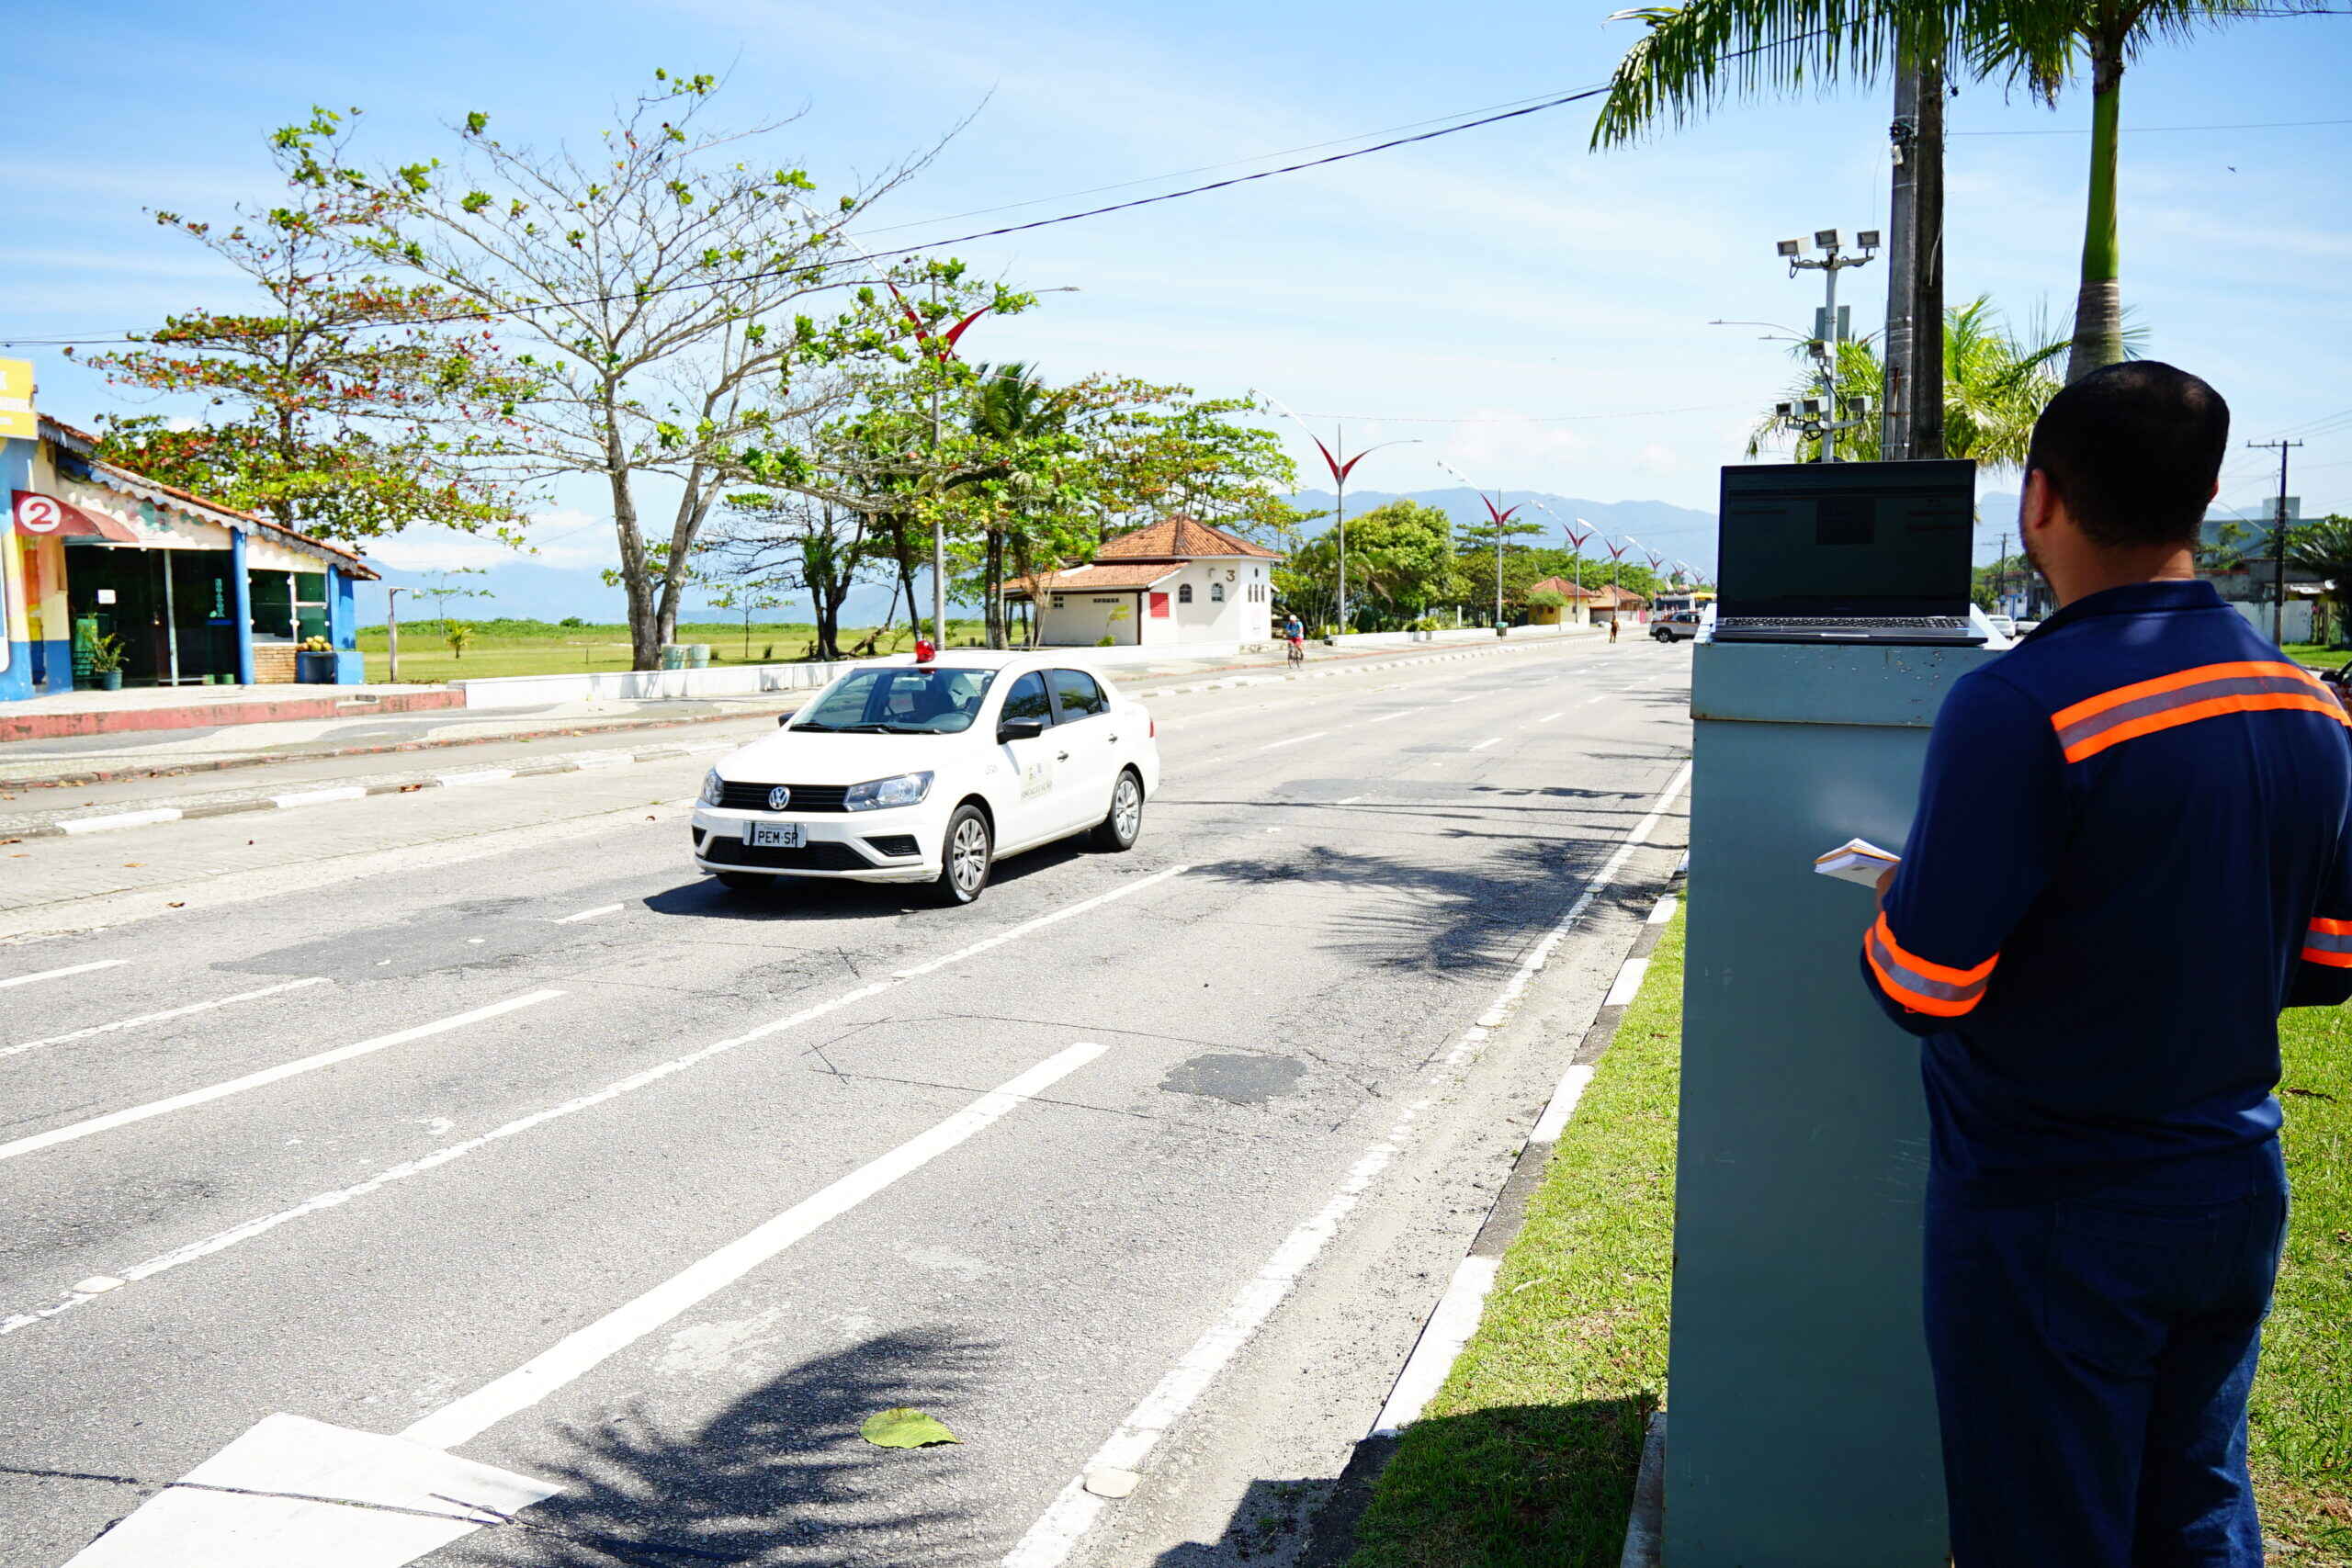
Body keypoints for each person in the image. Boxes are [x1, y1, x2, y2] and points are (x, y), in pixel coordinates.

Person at [1860, 362, 2352, 1567]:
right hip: (2232, 1180)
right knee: (2192, 1503)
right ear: (2209, 496)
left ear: (2040, 501)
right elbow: (2330, 964)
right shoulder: (2314, 706)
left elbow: (1923, 986)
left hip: (2051, 1208)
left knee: (2044, 1527)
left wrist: (1897, 892)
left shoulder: (2022, 703)